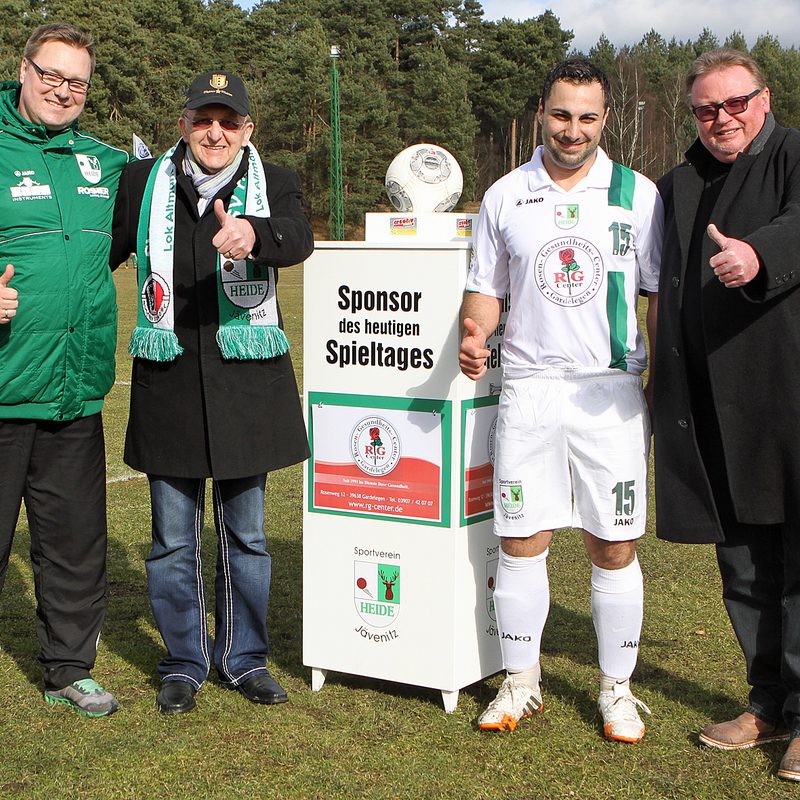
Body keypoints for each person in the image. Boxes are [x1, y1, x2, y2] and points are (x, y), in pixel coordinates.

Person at [460, 59, 661, 742]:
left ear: (606, 119)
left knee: (613, 544)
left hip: (609, 393)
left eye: (588, 117)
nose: (572, 130)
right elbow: (486, 288)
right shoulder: (504, 195)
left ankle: (617, 691)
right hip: (529, 390)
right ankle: (521, 683)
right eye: (561, 114)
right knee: (522, 539)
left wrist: (657, 372)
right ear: (540, 112)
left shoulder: (639, 194)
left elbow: (655, 293)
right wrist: (474, 329)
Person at [110, 71, 312, 714]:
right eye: (204, 119)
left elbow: (298, 240)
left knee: (246, 534)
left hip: (245, 386)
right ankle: (183, 660)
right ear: (184, 124)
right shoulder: (145, 183)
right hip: (169, 382)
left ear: (247, 129)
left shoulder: (274, 183)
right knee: (172, 537)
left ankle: (244, 657)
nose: (215, 132)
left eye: (228, 121)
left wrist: (255, 234)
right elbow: (100, 250)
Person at [654, 48, 800, 781]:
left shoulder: (795, 156)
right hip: (710, 405)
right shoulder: (678, 183)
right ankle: (766, 702)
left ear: (764, 99)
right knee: (743, 562)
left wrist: (759, 255)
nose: (722, 119)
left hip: (788, 398)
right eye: (707, 109)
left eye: (735, 103)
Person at [0, 23, 127, 717]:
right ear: (23, 70)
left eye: (76, 80)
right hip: (2, 389)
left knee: (75, 547)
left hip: (74, 392)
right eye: (51, 74)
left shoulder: (102, 163)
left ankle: (68, 671)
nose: (62, 90)